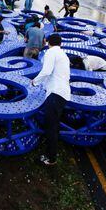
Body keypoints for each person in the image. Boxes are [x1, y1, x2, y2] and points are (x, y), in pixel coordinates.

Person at [32, 34, 70, 166]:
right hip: (63, 93)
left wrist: (34, 82)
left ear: (48, 42)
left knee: (51, 127)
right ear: (61, 43)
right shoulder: (63, 55)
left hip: (55, 93)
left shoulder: (50, 52)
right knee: (54, 125)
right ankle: (50, 153)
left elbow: (47, 71)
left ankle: (51, 158)